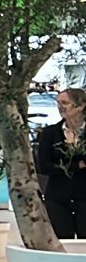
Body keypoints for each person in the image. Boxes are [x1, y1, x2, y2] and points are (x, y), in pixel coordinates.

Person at [36, 87, 86, 240]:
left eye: (65, 103)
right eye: (58, 103)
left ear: (80, 106)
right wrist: (77, 165)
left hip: (84, 195)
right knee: (63, 241)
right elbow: (44, 166)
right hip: (57, 197)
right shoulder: (50, 133)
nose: (60, 107)